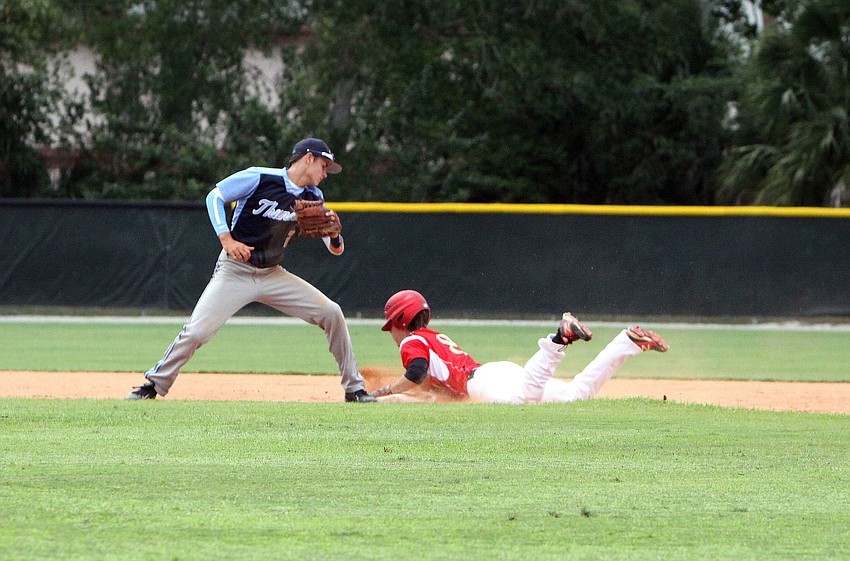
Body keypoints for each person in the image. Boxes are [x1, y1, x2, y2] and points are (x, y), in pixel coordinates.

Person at [126, 138, 376, 402]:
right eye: (324, 165)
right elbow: (215, 197)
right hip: (235, 271)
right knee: (198, 331)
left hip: (272, 274)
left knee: (332, 312)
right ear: (308, 158)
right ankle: (153, 385)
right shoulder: (260, 178)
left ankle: (354, 389)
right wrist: (226, 239)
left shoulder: (313, 197)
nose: (326, 173)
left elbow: (335, 249)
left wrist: (335, 234)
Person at [371, 290, 668, 404]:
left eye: (391, 326)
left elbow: (416, 372)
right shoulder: (432, 337)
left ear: (400, 320)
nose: (392, 333)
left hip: (484, 384)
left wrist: (386, 392)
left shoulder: (412, 341)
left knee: (523, 401)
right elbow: (429, 389)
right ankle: (626, 342)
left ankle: (558, 340)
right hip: (495, 373)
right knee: (577, 395)